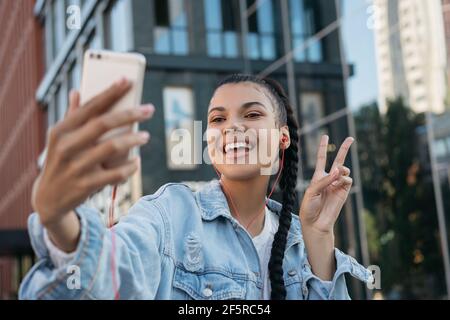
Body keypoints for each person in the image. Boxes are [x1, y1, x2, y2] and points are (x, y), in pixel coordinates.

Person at [19, 73, 371, 300]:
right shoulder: (170, 214)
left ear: (282, 138)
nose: (232, 127)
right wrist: (60, 219)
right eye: (218, 118)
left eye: (251, 115)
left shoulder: (300, 236)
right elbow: (114, 271)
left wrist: (319, 235)